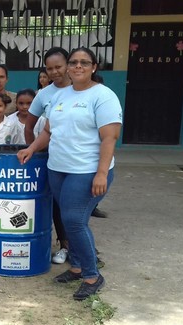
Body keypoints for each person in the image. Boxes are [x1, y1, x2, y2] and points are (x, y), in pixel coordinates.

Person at [17, 47, 122, 300]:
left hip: (86, 170)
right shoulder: (61, 96)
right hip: (58, 168)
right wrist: (31, 148)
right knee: (67, 219)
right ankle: (75, 268)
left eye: (84, 63)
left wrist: (100, 174)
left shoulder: (103, 96)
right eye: (74, 62)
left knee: (74, 220)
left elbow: (110, 138)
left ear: (94, 67)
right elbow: (48, 132)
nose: (78, 67)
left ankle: (92, 275)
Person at [26, 47, 73, 264]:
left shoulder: (86, 90)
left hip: (81, 159)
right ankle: (65, 245)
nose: (54, 72)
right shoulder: (44, 95)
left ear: (68, 65)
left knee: (77, 206)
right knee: (57, 204)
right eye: (49, 68)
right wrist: (33, 151)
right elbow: (30, 126)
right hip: (52, 157)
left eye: (58, 67)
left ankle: (83, 248)